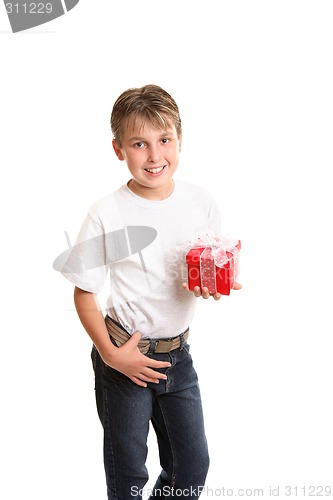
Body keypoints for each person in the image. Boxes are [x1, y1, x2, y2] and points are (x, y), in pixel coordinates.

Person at [60, 84, 241, 499]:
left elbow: (200, 263)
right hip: (125, 354)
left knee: (191, 465)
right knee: (127, 469)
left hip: (178, 356)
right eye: (139, 144)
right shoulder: (107, 212)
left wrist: (214, 283)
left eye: (165, 140)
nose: (155, 156)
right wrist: (111, 354)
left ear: (181, 139)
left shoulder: (201, 201)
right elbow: (84, 293)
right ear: (118, 149)